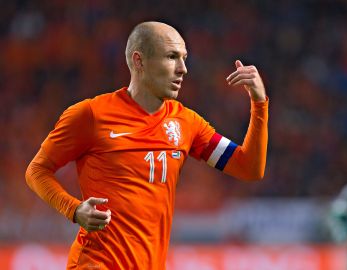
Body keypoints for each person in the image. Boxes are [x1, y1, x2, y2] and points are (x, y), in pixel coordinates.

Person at [25, 21, 268, 269]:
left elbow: (248, 168)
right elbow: (36, 171)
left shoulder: (186, 122)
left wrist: (259, 104)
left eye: (184, 58)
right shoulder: (91, 115)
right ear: (139, 61)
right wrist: (75, 210)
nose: (183, 69)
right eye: (172, 57)